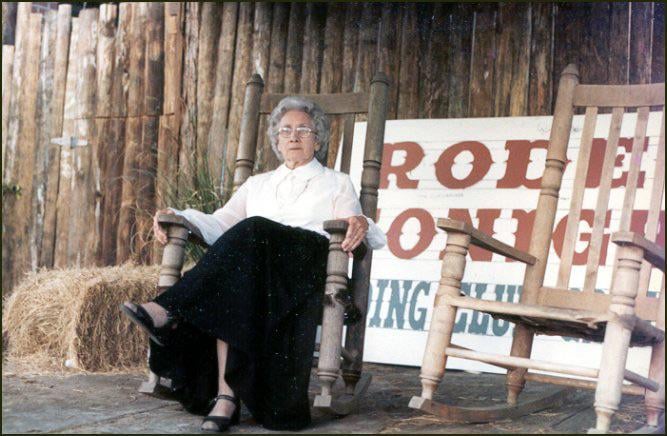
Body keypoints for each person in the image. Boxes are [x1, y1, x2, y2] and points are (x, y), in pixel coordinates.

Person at [120, 96, 386, 432]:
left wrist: (358, 221)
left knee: (253, 230)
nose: (294, 136)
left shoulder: (336, 181)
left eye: (303, 130)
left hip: (305, 263)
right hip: (258, 270)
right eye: (285, 130)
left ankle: (167, 310)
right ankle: (225, 398)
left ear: (317, 140)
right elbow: (221, 222)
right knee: (239, 272)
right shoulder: (257, 184)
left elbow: (354, 224)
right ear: (276, 140)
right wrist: (179, 215)